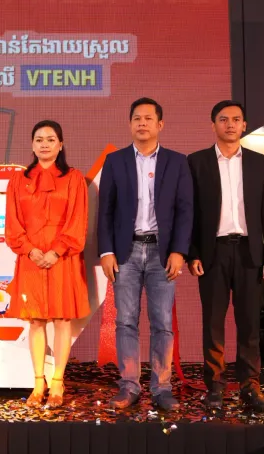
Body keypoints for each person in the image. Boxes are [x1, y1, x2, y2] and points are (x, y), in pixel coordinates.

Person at [98, 97, 193, 411]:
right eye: (136, 118)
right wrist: (106, 251)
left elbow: (185, 211)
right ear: (130, 124)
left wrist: (179, 251)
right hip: (125, 252)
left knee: (162, 322)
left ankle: (162, 388)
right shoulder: (115, 161)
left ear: (160, 124)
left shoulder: (177, 162)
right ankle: (129, 386)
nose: (142, 123)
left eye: (148, 118)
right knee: (125, 321)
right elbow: (105, 211)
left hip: (161, 253)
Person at [187, 100, 264, 411]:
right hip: (212, 252)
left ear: (244, 125)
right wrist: (192, 253)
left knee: (250, 323)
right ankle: (215, 387)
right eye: (223, 119)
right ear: (213, 124)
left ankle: (250, 386)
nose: (230, 124)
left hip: (250, 252)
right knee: (213, 323)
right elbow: (190, 213)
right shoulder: (196, 162)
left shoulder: (258, 162)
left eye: (236, 119)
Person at [4, 120, 90, 408]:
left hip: (62, 259)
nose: (44, 144)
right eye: (39, 139)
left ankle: (57, 381)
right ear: (32, 144)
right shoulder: (18, 180)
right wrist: (30, 251)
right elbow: (13, 223)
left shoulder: (74, 178)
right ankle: (38, 381)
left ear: (60, 145)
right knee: (36, 320)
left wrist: (56, 251)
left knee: (63, 320)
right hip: (31, 260)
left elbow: (77, 220)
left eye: (51, 139)